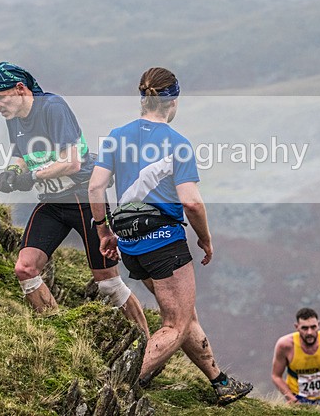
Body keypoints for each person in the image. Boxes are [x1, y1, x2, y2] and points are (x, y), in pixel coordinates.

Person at [87, 67, 253, 406]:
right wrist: (205, 238)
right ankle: (114, 387)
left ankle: (221, 382)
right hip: (164, 240)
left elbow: (95, 186)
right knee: (175, 323)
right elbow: (191, 201)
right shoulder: (177, 143)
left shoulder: (117, 135)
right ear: (173, 101)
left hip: (130, 241)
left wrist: (104, 231)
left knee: (185, 315)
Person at [0, 62, 149, 336]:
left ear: (20, 89)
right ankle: (60, 335)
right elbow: (21, 153)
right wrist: (11, 172)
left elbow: (71, 162)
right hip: (51, 200)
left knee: (108, 284)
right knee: (25, 269)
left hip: (82, 198)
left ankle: (146, 345)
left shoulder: (52, 107)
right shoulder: (13, 117)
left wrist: (32, 177)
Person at [271, 308, 320, 412]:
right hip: (298, 398)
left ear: (319, 325)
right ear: (297, 327)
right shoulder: (285, 345)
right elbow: (276, 376)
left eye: (313, 327)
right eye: (304, 328)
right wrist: (293, 401)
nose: (309, 332)